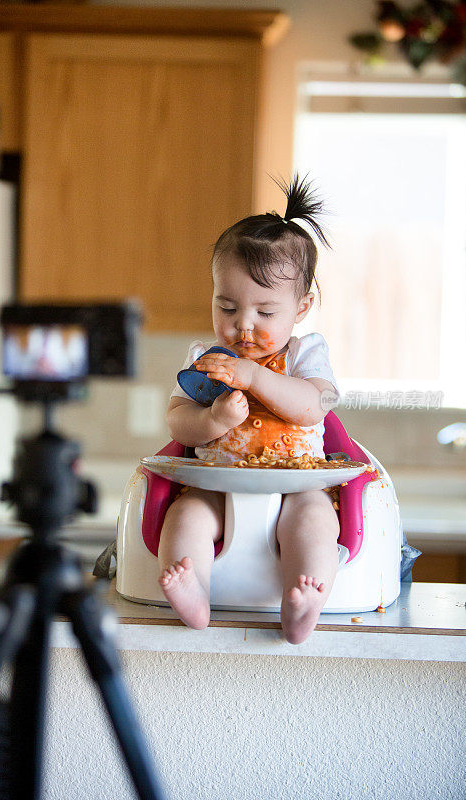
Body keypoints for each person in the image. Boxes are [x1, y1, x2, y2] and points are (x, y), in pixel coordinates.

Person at [158, 175, 340, 644]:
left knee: (315, 520)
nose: (243, 327)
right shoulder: (206, 361)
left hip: (295, 481)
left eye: (265, 312)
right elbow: (177, 419)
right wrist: (213, 419)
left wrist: (257, 376)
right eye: (228, 306)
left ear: (301, 307)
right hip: (220, 481)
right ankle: (195, 590)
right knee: (186, 515)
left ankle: (304, 600)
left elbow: (316, 406)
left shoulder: (304, 353)